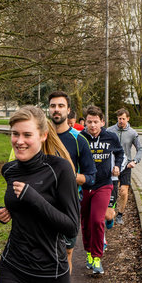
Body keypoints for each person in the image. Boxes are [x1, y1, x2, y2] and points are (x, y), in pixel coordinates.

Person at [0, 106, 80, 283]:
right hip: (13, 266)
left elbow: (71, 227)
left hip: (51, 272)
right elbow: (19, 207)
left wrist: (34, 198)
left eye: (27, 135)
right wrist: (2, 212)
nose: (19, 141)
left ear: (43, 136)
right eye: (15, 134)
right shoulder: (9, 170)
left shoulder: (60, 169)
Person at [48, 90, 96, 273]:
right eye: (53, 106)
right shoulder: (40, 137)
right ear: (49, 109)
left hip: (68, 205)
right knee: (43, 254)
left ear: (68, 110)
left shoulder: (79, 141)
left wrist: (70, 175)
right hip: (42, 203)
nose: (56, 110)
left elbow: (91, 178)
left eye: (61, 106)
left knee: (67, 252)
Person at [80, 105, 124, 274]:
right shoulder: (81, 138)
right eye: (89, 122)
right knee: (85, 221)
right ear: (85, 122)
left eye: (96, 122)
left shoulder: (110, 137)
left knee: (97, 220)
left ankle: (97, 258)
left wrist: (118, 166)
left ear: (102, 122)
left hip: (104, 184)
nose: (92, 125)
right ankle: (89, 253)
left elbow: (119, 153)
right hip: (84, 185)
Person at [107, 108, 142, 225]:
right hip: (112, 165)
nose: (121, 121)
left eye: (123, 119)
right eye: (119, 119)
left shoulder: (133, 133)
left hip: (126, 165)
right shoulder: (109, 131)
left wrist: (135, 161)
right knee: (112, 191)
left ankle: (120, 214)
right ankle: (110, 212)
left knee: (123, 191)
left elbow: (140, 149)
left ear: (128, 119)